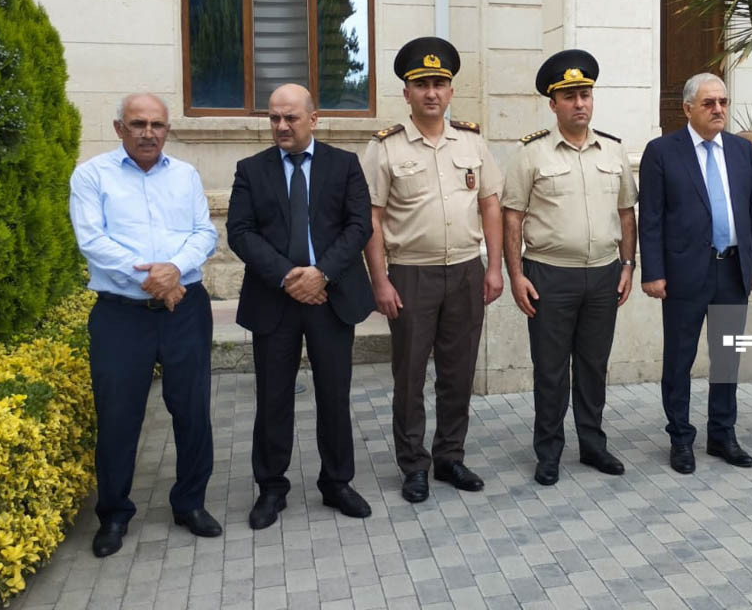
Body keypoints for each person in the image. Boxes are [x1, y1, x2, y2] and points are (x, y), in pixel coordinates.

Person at [70, 93, 220, 557]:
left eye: (157, 124)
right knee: (118, 417)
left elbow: (205, 233)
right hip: (121, 315)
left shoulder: (186, 175)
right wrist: (155, 277)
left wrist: (173, 269)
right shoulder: (91, 176)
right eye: (138, 123)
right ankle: (114, 515)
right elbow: (93, 241)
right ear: (119, 128)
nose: (148, 132)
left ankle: (190, 503)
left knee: (193, 411)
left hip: (186, 309)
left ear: (167, 128)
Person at [362, 36, 504, 503]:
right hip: (411, 275)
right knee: (409, 376)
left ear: (450, 90)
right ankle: (413, 464)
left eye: (440, 83)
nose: (431, 92)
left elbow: (490, 205)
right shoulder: (384, 148)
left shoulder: (473, 141)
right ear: (406, 92)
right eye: (421, 84)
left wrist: (494, 268)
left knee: (458, 371)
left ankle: (449, 457)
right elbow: (372, 219)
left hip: (466, 270)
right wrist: (380, 281)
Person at [227, 83, 376, 528]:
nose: (280, 126)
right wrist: (289, 277)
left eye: (290, 118)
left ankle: (337, 483)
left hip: (330, 297)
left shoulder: (344, 165)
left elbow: (359, 225)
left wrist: (320, 274)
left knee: (335, 393)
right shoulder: (251, 170)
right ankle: (271, 487)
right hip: (275, 299)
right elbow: (240, 232)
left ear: (313, 119)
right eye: (273, 117)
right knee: (272, 398)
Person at [502, 50, 638, 486]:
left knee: (594, 365)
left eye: (585, 94)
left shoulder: (613, 151)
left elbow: (626, 213)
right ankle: (549, 451)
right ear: (553, 103)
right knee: (551, 369)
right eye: (570, 96)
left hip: (602, 273)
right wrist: (515, 274)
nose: (580, 102)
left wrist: (628, 264)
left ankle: (593, 445)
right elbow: (512, 216)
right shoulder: (531, 154)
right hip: (548, 274)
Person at [638, 73, 752, 474]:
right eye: (709, 103)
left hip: (732, 270)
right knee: (680, 358)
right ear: (688, 108)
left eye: (723, 102)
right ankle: (680, 437)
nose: (718, 110)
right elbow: (652, 218)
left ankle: (722, 434)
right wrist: (654, 272)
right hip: (683, 274)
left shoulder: (741, 151)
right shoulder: (662, 152)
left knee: (728, 355)